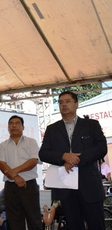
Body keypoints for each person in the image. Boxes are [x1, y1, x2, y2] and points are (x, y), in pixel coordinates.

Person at [39, 91, 107, 230]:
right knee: (74, 226)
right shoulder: (52, 129)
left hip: (89, 185)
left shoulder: (91, 125)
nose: (64, 104)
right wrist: (63, 156)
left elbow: (101, 148)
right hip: (65, 187)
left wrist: (77, 159)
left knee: (97, 225)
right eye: (60, 102)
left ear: (76, 104)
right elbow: (43, 153)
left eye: (68, 101)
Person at [0, 115, 42, 230]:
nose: (14, 126)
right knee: (14, 221)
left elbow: (33, 161)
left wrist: (14, 172)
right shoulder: (2, 145)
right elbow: (1, 164)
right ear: (8, 127)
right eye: (11, 123)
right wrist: (15, 177)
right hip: (10, 187)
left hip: (29, 185)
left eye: (17, 123)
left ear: (23, 127)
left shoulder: (31, 142)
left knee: (34, 219)